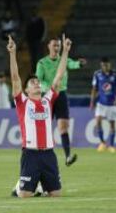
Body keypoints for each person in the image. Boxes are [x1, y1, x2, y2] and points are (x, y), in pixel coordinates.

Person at [7, 33, 71, 198]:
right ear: (27, 90)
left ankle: (40, 186)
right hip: (31, 154)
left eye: (37, 82)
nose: (36, 83)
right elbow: (15, 78)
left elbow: (58, 76)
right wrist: (12, 54)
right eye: (32, 83)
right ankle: (21, 186)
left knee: (56, 194)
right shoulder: (22, 102)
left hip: (49, 154)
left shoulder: (47, 99)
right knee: (24, 195)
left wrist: (65, 52)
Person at [36, 37, 87, 166]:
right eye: (54, 45)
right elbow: (38, 81)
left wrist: (79, 64)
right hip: (48, 96)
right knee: (45, 127)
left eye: (58, 46)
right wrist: (49, 87)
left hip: (61, 95)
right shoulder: (42, 63)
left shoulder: (63, 61)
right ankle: (40, 154)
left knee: (63, 127)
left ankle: (68, 156)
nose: (57, 48)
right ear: (48, 46)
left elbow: (72, 64)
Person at [90, 57, 116, 153]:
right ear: (101, 65)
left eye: (107, 64)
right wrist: (92, 102)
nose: (105, 66)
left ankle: (111, 146)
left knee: (112, 125)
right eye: (103, 65)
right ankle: (102, 143)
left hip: (113, 104)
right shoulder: (97, 74)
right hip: (101, 103)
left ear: (110, 64)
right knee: (98, 122)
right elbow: (94, 88)